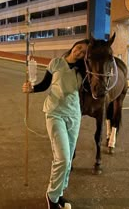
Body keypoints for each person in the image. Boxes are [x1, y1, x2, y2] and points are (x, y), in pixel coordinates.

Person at [22, 39, 89, 209]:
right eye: (79, 48)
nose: (79, 52)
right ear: (74, 46)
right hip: (55, 113)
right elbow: (45, 85)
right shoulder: (56, 63)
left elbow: (91, 90)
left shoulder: (84, 69)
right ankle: (52, 197)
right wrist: (31, 88)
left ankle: (59, 193)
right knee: (63, 158)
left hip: (74, 115)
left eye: (83, 52)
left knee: (69, 159)